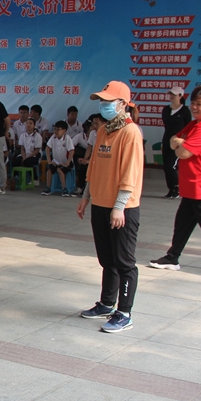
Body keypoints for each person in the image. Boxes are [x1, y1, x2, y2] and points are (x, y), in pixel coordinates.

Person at [76, 81, 144, 333]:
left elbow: (130, 173)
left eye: (108, 102)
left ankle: (124, 312)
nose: (103, 105)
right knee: (107, 259)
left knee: (124, 261)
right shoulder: (104, 130)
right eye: (102, 102)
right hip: (100, 203)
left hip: (122, 208)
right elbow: (94, 167)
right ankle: (106, 303)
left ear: (123, 104)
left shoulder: (130, 132)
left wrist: (119, 207)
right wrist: (86, 196)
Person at [149, 85, 201, 275]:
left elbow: (183, 152)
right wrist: (180, 143)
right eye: (193, 103)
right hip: (193, 185)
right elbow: (173, 140)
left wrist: (181, 144)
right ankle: (172, 257)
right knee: (183, 222)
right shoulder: (195, 124)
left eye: (199, 104)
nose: (194, 107)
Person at [160, 85, 191, 199]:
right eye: (170, 94)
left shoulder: (185, 111)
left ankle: (177, 187)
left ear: (180, 96)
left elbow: (188, 127)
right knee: (166, 166)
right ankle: (171, 188)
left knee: (170, 165)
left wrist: (183, 141)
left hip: (178, 143)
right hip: (167, 140)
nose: (171, 96)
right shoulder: (166, 109)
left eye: (174, 94)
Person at [42, 120, 75, 196]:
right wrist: (49, 161)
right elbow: (47, 148)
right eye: (55, 129)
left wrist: (67, 163)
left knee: (60, 170)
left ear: (64, 130)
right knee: (49, 169)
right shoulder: (53, 137)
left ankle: (64, 189)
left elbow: (71, 151)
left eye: (58, 129)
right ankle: (48, 188)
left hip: (67, 162)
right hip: (56, 161)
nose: (56, 131)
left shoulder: (67, 138)